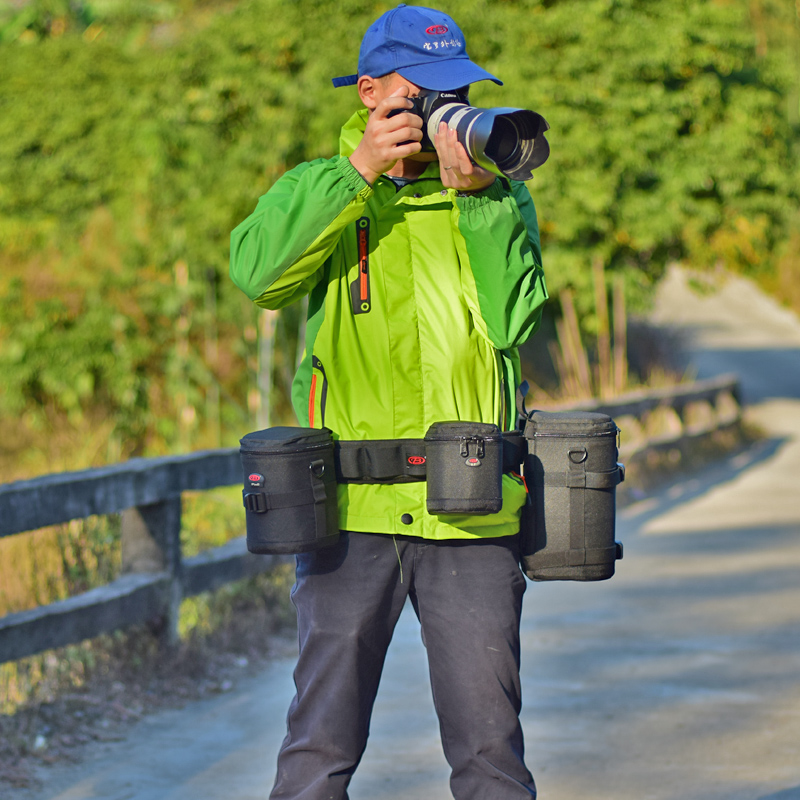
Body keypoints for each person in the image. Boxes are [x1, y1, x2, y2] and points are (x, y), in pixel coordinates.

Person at [229, 4, 548, 798]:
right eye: (423, 95)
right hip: (349, 513)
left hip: (470, 509)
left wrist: (479, 201)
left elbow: (515, 322)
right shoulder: (321, 188)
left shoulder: (495, 199)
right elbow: (259, 275)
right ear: (370, 94)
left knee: (490, 756)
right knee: (318, 750)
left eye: (458, 92)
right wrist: (356, 175)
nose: (445, 112)